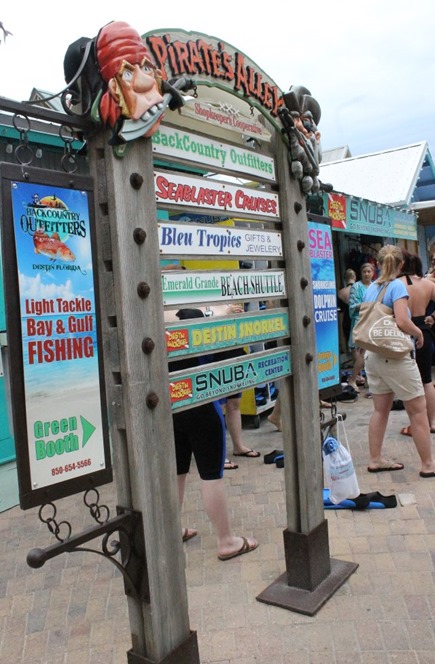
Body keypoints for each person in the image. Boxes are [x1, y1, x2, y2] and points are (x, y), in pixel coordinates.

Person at [168, 307, 258, 559]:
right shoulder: (193, 314)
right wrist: (221, 311)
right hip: (199, 401)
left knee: (177, 472)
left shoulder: (154, 313)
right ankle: (226, 541)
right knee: (211, 475)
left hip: (172, 401)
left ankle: (172, 530)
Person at [363, 245, 435, 477]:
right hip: (394, 355)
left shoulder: (371, 288)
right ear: (401, 265)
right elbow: (403, 320)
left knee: (380, 410)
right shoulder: (396, 286)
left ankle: (375, 459)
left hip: (372, 354)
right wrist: (419, 333)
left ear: (378, 262)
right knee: (417, 410)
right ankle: (428, 465)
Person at [397, 250, 435, 436]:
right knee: (426, 380)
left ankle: (416, 424)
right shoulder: (428, 284)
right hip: (425, 332)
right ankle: (431, 422)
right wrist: (433, 317)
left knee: (409, 383)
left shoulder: (397, 285)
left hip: (403, 332)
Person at [348, 263, 375, 392]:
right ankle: (353, 379)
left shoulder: (376, 286)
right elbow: (352, 306)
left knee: (369, 354)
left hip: (373, 322)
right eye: (364, 271)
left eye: (369, 271)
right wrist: (367, 305)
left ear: (373, 273)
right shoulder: (356, 287)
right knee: (362, 353)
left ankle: (368, 381)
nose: (366, 274)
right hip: (360, 322)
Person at [337, 268, 356, 350]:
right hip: (359, 318)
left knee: (352, 346)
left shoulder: (340, 292)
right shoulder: (361, 289)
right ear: (355, 277)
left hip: (347, 320)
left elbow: (339, 310)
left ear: (345, 279)